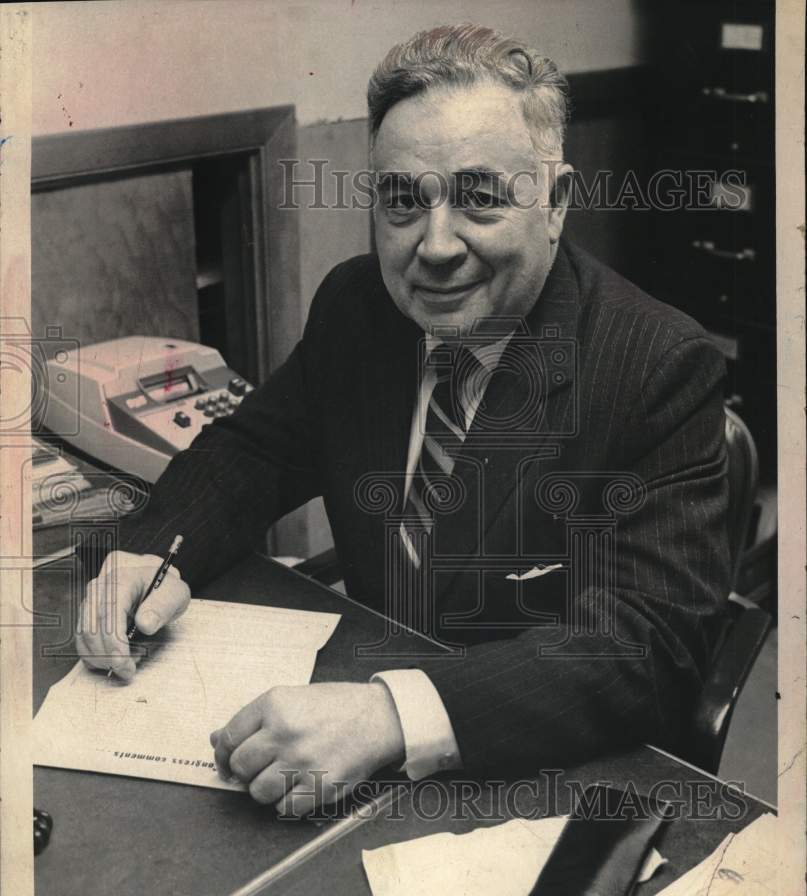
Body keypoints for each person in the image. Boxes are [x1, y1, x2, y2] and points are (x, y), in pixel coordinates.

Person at [75, 25, 730, 816]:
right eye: (401, 201)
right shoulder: (358, 306)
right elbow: (253, 449)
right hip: (345, 747)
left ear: (554, 204)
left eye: (479, 197)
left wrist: (391, 714)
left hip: (530, 773)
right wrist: (154, 554)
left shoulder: (656, 363)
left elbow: (644, 647)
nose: (435, 245)